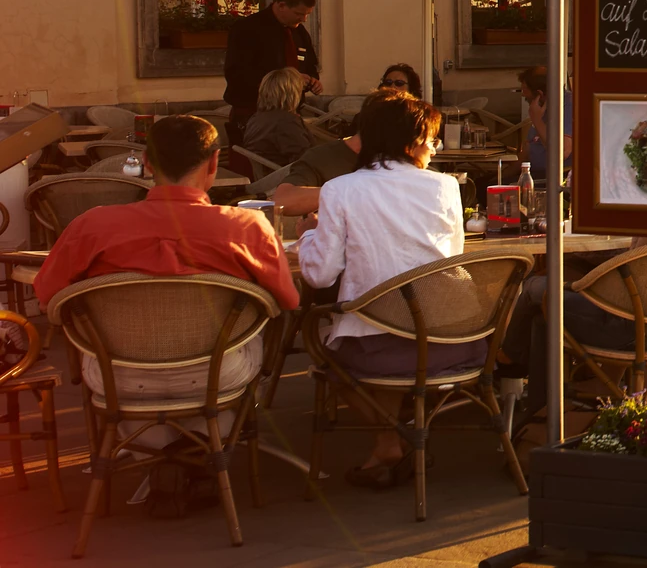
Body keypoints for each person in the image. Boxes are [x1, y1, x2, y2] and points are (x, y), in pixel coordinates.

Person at [35, 114, 299, 517]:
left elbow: (47, 298)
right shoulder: (246, 226)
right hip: (216, 375)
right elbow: (288, 301)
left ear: (146, 162)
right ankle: (195, 450)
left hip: (118, 376)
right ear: (214, 163)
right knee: (260, 334)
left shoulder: (92, 225)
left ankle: (165, 453)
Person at [297, 91, 481, 488]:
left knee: (331, 345)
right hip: (452, 337)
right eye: (431, 139)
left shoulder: (341, 190)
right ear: (408, 143)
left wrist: (311, 234)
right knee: (386, 332)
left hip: (381, 342)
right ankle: (394, 442)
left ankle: (392, 440)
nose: (435, 148)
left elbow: (319, 275)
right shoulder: (445, 187)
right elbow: (451, 256)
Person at [222, 0, 320, 139]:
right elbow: (237, 73)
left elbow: (310, 65)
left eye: (307, 14)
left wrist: (312, 80)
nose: (304, 19)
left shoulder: (299, 33)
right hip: (254, 113)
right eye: (298, 14)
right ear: (281, 5)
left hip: (290, 114)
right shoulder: (247, 29)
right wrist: (287, 81)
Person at [242, 66, 314, 167]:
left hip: (268, 175)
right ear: (292, 94)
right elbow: (305, 158)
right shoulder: (286, 122)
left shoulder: (256, 118)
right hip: (285, 177)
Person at [517, 64, 572, 185]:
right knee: (484, 184)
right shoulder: (544, 107)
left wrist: (536, 119)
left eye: (524, 89)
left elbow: (562, 152)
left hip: (553, 178)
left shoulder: (567, 107)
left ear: (539, 94)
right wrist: (501, 174)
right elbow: (527, 152)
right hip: (530, 172)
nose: (523, 94)